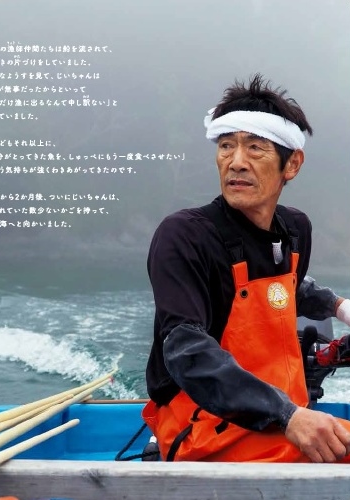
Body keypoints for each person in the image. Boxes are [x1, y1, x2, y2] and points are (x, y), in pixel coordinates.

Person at [142, 74, 350, 463]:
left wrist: (339, 306)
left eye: (255, 148)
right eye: (226, 146)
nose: (236, 162)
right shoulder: (185, 236)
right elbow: (186, 350)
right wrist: (288, 415)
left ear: (292, 164)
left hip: (285, 418)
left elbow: (289, 288)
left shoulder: (295, 230)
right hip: (204, 430)